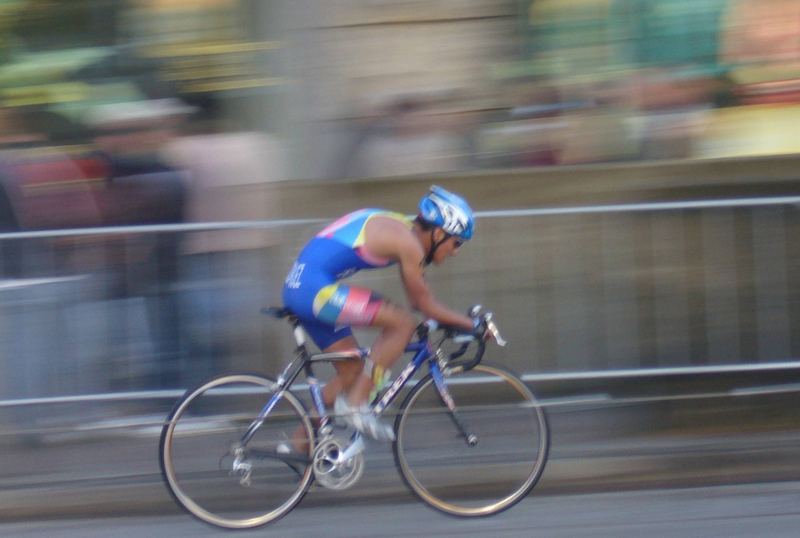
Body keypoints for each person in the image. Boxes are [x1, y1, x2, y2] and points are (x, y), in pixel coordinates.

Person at [282, 185, 482, 441]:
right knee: (402, 324)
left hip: (301, 286)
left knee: (352, 369)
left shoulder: (402, 228)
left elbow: (420, 297)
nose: (455, 252)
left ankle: (299, 445)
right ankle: (356, 404)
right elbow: (422, 305)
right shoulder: (408, 244)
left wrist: (450, 321)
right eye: (456, 243)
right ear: (439, 233)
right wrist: (471, 325)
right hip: (314, 290)